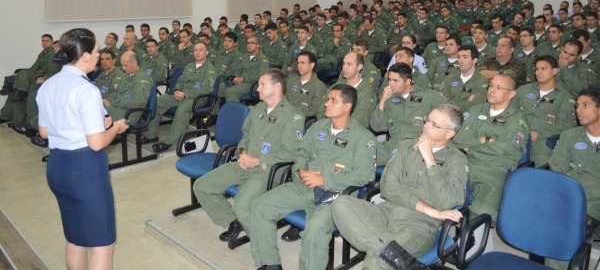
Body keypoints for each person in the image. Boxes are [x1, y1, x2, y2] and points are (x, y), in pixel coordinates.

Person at [250, 84, 376, 270]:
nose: (326, 104)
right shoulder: (319, 126)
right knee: (260, 206)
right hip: (305, 185)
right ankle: (270, 263)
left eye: (333, 100)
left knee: (315, 229)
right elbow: (302, 154)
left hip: (336, 195)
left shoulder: (363, 138)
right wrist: (300, 171)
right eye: (327, 99)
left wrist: (325, 180)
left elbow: (365, 175)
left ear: (347, 106)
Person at [332, 103, 468, 270]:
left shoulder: (457, 159)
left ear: (450, 133)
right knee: (341, 203)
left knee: (377, 261)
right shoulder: (405, 146)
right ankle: (402, 258)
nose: (426, 126)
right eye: (427, 120)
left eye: (435, 125)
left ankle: (387, 251)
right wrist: (430, 210)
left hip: (418, 226)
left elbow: (447, 201)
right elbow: (387, 186)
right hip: (385, 211)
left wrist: (430, 161)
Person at [36, 28, 129, 270]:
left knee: (75, 238)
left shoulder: (48, 85)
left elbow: (45, 132)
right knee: (101, 243)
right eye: (97, 51)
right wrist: (115, 128)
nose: (99, 56)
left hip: (58, 167)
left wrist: (99, 125)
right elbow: (96, 142)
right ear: (85, 56)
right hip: (84, 170)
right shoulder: (87, 89)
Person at [194, 69, 304, 245]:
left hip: (268, 170)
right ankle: (233, 221)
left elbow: (292, 152)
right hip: (245, 163)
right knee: (202, 186)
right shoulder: (258, 109)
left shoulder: (293, 116)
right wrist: (243, 152)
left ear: (276, 87)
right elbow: (245, 135)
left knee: (242, 206)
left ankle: (265, 250)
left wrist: (257, 161)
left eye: (262, 84)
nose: (258, 88)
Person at [453, 74, 529, 222]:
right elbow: (456, 137)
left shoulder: (517, 121)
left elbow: (503, 149)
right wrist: (483, 140)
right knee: (432, 188)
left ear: (511, 94)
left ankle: (473, 242)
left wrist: (470, 147)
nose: (492, 90)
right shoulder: (476, 110)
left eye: (499, 88)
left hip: (493, 171)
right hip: (465, 164)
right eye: (491, 86)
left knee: (481, 214)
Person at [371, 63, 447, 165]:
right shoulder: (389, 100)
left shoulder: (429, 96)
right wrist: (383, 100)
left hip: (417, 146)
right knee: (363, 153)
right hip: (393, 146)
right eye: (389, 80)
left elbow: (451, 114)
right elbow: (377, 127)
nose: (390, 84)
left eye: (395, 81)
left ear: (408, 81)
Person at [147, 41, 217, 151]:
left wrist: (185, 94)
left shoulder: (210, 69)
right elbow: (180, 81)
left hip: (198, 98)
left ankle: (170, 141)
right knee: (158, 102)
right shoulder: (189, 66)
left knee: (182, 109)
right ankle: (151, 135)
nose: (197, 53)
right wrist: (177, 90)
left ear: (206, 52)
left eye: (200, 50)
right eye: (195, 50)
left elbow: (206, 89)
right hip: (182, 94)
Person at [550, 90, 600, 236]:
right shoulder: (569, 136)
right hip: (570, 195)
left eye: (585, 105)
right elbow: (557, 169)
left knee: (566, 228)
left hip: (594, 201)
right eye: (577, 105)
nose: (578, 110)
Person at [514, 56, 576, 167]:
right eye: (536, 69)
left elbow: (566, 126)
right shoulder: (523, 91)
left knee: (541, 162)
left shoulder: (564, 97)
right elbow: (509, 112)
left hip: (544, 139)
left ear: (554, 71)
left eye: (543, 69)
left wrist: (538, 133)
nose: (539, 72)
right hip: (517, 135)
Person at [439, 45, 488, 112]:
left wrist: (451, 103)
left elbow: (475, 107)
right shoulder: (450, 78)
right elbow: (441, 103)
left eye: (465, 57)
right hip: (448, 117)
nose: (460, 61)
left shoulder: (482, 81)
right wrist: (467, 102)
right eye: (459, 57)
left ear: (474, 60)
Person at [286, 52, 328, 121]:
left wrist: (294, 116)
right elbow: (285, 101)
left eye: (302, 63)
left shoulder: (318, 86)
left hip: (303, 121)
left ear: (311, 65)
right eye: (298, 63)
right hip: (286, 116)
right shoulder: (292, 82)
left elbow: (314, 110)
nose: (299, 66)